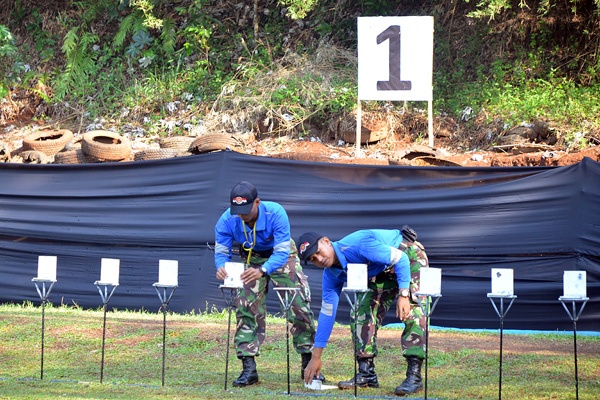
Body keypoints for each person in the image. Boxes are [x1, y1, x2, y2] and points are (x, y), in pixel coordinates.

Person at [214, 181, 325, 387]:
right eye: (238, 211)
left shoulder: (276, 213)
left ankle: (308, 363)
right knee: (245, 307)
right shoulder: (226, 219)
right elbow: (222, 250)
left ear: (257, 202)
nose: (242, 216)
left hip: (281, 257)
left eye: (246, 210)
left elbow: (282, 252)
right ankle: (249, 368)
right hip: (250, 258)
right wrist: (221, 266)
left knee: (299, 306)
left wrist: (263, 270)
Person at [297, 226, 429, 396]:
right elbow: (327, 313)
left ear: (327, 241)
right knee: (361, 311)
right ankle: (366, 374)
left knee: (412, 310)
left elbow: (401, 259)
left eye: (319, 252)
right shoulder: (331, 274)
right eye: (313, 259)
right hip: (380, 269)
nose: (319, 259)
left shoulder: (358, 245)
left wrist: (404, 293)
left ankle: (414, 376)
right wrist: (316, 356)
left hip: (407, 256)